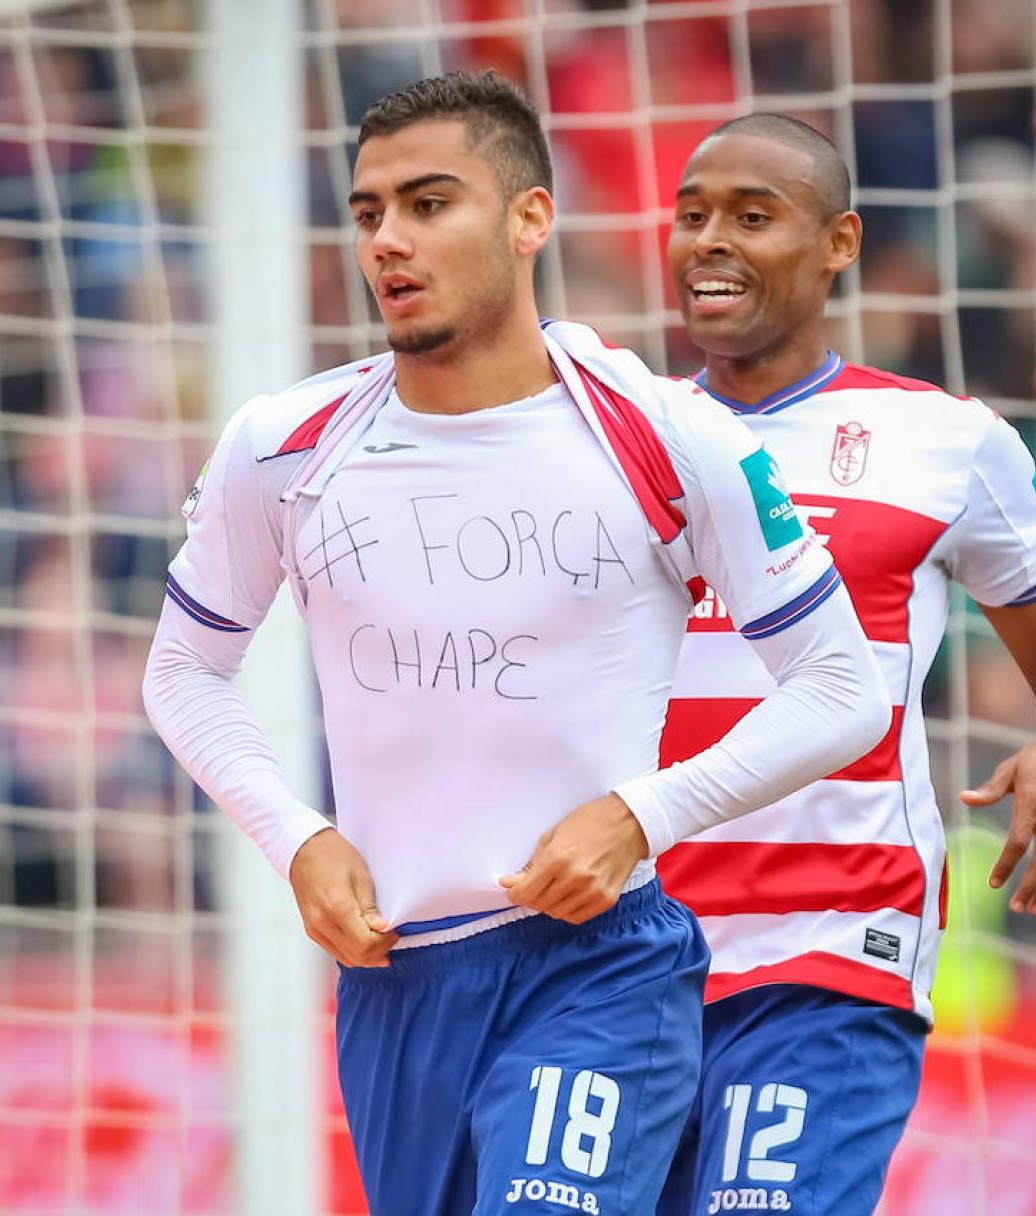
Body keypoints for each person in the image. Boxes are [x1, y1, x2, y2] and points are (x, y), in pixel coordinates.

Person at [141, 74, 891, 1216]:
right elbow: (185, 670)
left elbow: (842, 686)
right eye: (368, 212)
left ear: (530, 218)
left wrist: (644, 814)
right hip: (395, 983)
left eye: (429, 203)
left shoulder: (665, 434)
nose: (389, 239)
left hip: (599, 964)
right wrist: (296, 837)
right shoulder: (283, 446)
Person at [651, 115, 1036, 1214]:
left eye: (753, 216)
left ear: (840, 242)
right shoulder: (619, 432)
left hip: (831, 950)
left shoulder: (945, 442)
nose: (710, 240)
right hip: (628, 953)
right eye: (693, 215)